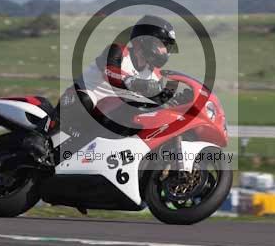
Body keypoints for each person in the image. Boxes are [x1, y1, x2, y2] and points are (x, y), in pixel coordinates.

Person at [23, 15, 177, 163]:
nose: (165, 51)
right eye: (162, 45)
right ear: (145, 39)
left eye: (167, 47)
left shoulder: (155, 74)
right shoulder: (118, 50)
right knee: (85, 99)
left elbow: (156, 99)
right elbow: (110, 73)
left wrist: (173, 99)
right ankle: (38, 135)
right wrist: (138, 83)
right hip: (83, 98)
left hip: (109, 112)